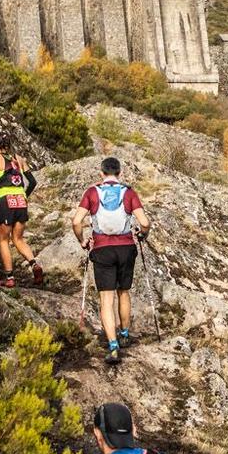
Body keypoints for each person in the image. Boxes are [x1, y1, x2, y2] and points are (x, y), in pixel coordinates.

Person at [69, 156, 150, 364]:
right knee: (124, 292)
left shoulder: (92, 192)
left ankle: (113, 346)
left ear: (101, 174)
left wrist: (82, 241)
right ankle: (124, 334)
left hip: (102, 249)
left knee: (106, 299)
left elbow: (76, 221)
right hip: (125, 248)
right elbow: (145, 222)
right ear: (119, 173)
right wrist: (142, 234)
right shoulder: (128, 192)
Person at [0, 134, 43, 289]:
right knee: (19, 239)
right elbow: (33, 182)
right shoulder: (19, 159)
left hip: (5, 201)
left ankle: (10, 278)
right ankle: (34, 264)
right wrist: (24, 196)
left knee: (4, 241)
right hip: (20, 201)